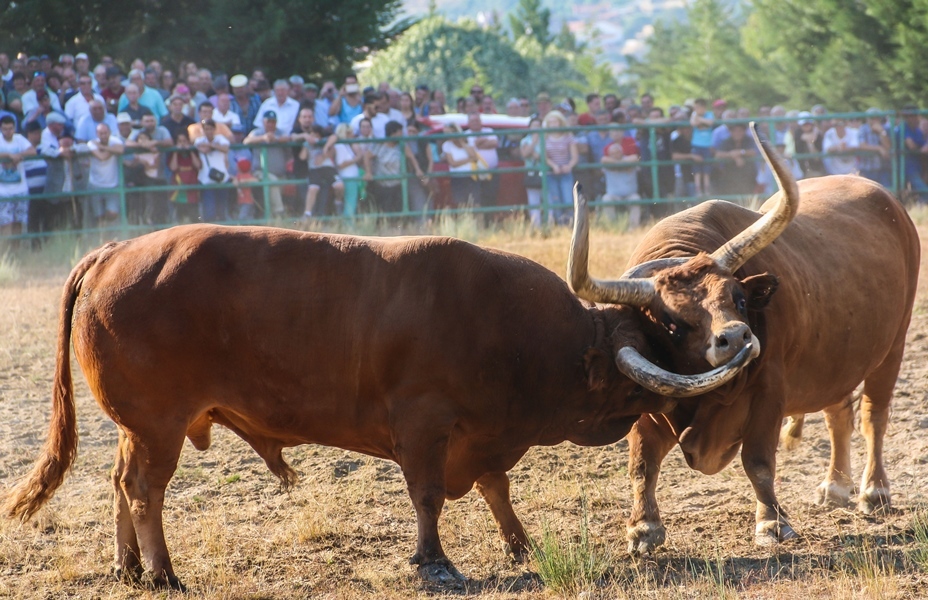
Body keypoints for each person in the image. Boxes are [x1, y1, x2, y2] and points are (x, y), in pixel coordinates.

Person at [244, 111, 290, 217]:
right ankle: (280, 213)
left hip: (280, 173)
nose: (270, 124)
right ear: (263, 122)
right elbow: (246, 141)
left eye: (273, 122)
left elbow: (289, 138)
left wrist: (276, 139)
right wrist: (263, 138)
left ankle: (275, 218)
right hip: (260, 172)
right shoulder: (257, 132)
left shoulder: (280, 132)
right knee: (272, 181)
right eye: (268, 121)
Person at [363, 120, 413, 214]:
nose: (402, 134)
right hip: (382, 184)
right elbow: (367, 156)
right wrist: (368, 172)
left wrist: (418, 170)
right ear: (393, 133)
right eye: (400, 132)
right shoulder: (379, 145)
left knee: (398, 208)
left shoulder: (402, 145)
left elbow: (411, 157)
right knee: (382, 208)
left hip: (397, 184)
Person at [0, 114, 35, 235]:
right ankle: (5, 252)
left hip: (20, 189)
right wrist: (8, 155)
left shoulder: (19, 139)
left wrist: (20, 155)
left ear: (14, 128)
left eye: (10, 129)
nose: (8, 132)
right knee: (5, 224)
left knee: (19, 224)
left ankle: (16, 252)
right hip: (3, 191)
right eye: (5, 129)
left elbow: (32, 151)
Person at [541, 110, 578, 224]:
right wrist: (553, 166)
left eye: (555, 121)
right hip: (551, 173)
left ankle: (571, 224)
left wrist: (569, 166)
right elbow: (544, 156)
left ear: (560, 122)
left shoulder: (568, 136)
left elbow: (575, 156)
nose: (553, 124)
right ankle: (561, 226)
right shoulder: (545, 137)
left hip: (566, 172)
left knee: (568, 199)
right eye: (550, 122)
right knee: (555, 200)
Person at [86, 123, 125, 228]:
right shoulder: (92, 143)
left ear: (109, 132)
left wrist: (102, 147)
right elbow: (102, 157)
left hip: (112, 184)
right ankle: (102, 237)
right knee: (99, 216)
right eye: (100, 133)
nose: (103, 135)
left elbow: (120, 149)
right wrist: (111, 150)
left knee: (112, 213)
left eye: (105, 132)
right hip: (95, 183)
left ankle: (109, 231)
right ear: (97, 134)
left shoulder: (115, 141)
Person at [601, 134, 642, 226]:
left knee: (636, 199)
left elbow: (635, 157)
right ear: (609, 154)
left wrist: (620, 164)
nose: (616, 154)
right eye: (613, 153)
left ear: (622, 151)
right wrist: (619, 164)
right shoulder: (607, 163)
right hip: (613, 195)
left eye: (617, 152)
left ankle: (633, 228)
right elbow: (603, 159)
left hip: (630, 194)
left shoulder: (630, 160)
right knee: (606, 199)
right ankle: (612, 227)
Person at [195, 118, 230, 221]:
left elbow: (225, 148)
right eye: (206, 129)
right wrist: (212, 146)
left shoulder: (220, 138)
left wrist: (210, 145)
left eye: (210, 129)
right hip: (206, 180)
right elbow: (202, 149)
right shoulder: (199, 140)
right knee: (209, 212)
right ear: (203, 130)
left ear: (214, 129)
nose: (208, 131)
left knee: (222, 211)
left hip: (221, 179)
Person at [466, 111, 499, 217]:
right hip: (474, 174)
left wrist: (477, 143)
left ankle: (489, 224)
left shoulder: (489, 130)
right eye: (472, 121)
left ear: (481, 121)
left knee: (490, 199)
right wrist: (482, 141)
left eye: (477, 120)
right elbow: (470, 149)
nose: (475, 123)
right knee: (476, 200)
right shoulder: (465, 135)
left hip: (492, 171)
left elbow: (494, 143)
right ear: (468, 123)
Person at [713, 122, 758, 196]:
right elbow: (718, 154)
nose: (738, 133)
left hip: (748, 177)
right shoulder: (727, 141)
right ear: (731, 132)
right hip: (729, 177)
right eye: (735, 131)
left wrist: (741, 152)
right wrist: (731, 155)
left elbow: (754, 152)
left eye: (740, 130)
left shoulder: (748, 140)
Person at [440, 122, 479, 207]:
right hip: (457, 177)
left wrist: (462, 142)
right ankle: (464, 220)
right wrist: (469, 159)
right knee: (461, 203)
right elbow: (453, 163)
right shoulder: (446, 145)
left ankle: (478, 220)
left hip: (471, 176)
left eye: (449, 133)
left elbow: (474, 157)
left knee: (475, 203)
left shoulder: (468, 141)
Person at [167, 130, 201, 223]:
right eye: (180, 141)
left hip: (192, 185)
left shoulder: (193, 152)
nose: (182, 144)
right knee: (180, 218)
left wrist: (190, 150)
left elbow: (197, 165)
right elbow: (173, 167)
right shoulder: (173, 154)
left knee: (194, 217)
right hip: (179, 186)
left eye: (184, 141)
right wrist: (175, 151)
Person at [330, 123, 363, 216]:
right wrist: (357, 158)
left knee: (351, 201)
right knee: (350, 201)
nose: (352, 135)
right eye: (350, 133)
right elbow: (341, 164)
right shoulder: (340, 146)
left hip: (352, 177)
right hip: (348, 177)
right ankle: (348, 224)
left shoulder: (346, 145)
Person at [519, 116, 545, 228]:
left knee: (549, 200)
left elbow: (544, 156)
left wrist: (534, 153)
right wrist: (534, 142)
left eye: (538, 125)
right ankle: (536, 227)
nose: (536, 128)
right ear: (529, 127)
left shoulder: (546, 138)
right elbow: (525, 154)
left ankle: (551, 224)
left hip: (546, 174)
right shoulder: (525, 140)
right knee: (533, 202)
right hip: (532, 174)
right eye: (534, 126)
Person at [857, 108, 891, 187]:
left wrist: (881, 132)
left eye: (877, 118)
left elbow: (888, 146)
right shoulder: (863, 129)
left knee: (886, 192)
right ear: (867, 119)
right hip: (867, 169)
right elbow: (862, 145)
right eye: (872, 118)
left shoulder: (885, 129)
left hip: (883, 169)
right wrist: (879, 148)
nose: (874, 120)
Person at [689, 98, 714, 195]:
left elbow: (710, 122)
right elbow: (693, 123)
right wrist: (699, 118)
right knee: (697, 170)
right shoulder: (694, 114)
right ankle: (698, 189)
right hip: (696, 145)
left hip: (707, 145)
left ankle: (707, 190)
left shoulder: (709, 114)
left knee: (706, 170)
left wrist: (699, 119)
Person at [794, 111, 825, 178]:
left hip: (816, 166)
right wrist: (814, 134)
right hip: (802, 167)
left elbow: (817, 155)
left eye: (808, 124)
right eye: (804, 124)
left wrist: (811, 143)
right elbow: (806, 137)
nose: (807, 126)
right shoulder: (797, 132)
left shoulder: (818, 134)